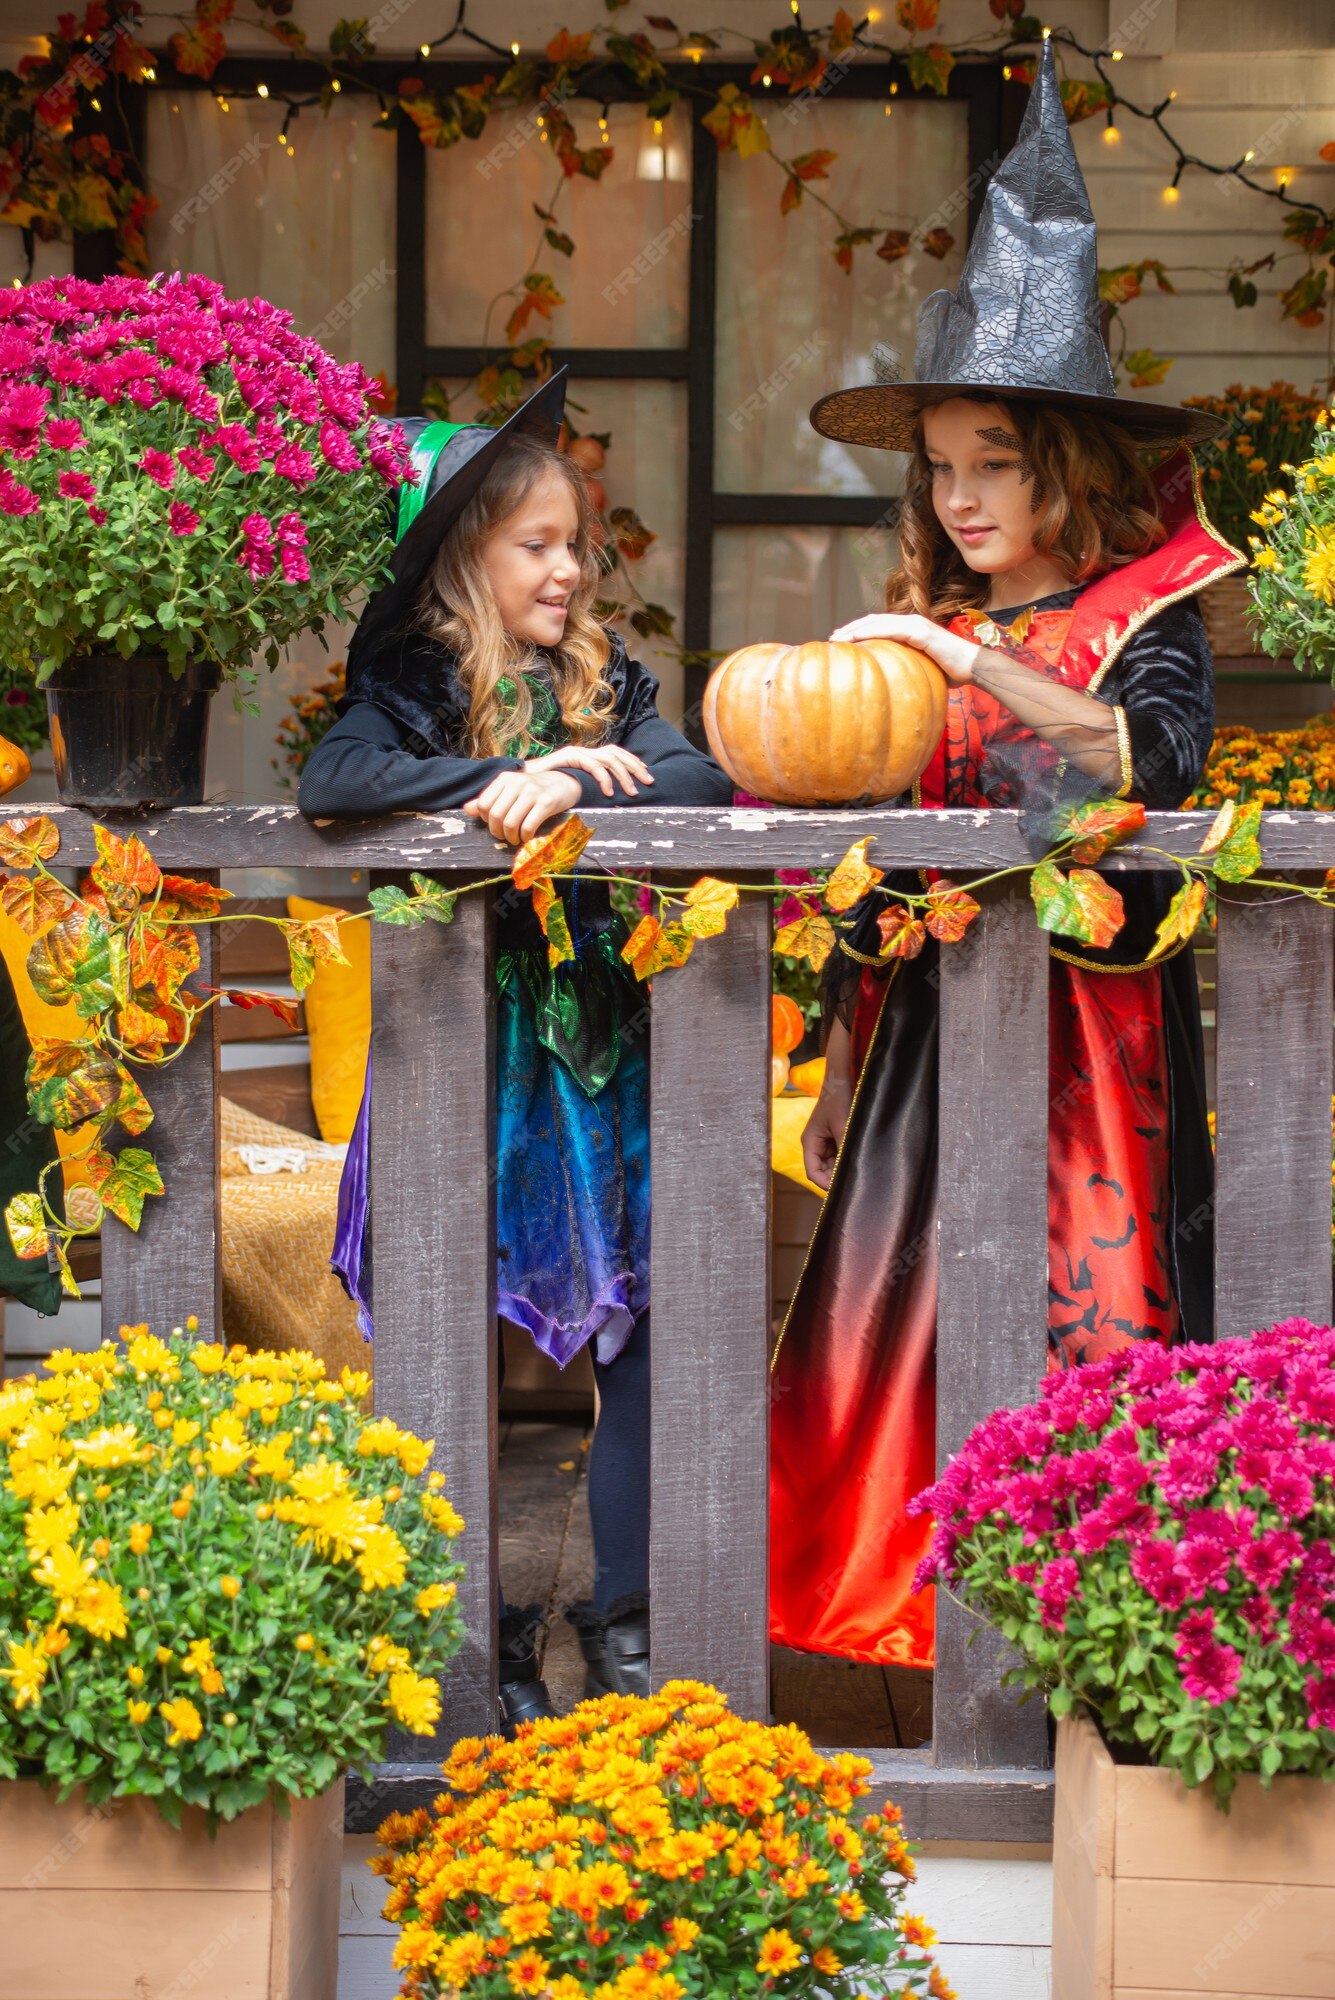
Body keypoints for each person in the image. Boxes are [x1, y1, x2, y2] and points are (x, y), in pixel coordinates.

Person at [769, 39, 1241, 1672]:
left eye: (996, 463)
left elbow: (1146, 755)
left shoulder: (1148, 613)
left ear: (1070, 467)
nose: (962, 496)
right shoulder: (931, 628)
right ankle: (926, 1625)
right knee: (895, 1330)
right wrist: (835, 1063)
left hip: (1093, 1054)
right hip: (925, 1048)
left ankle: (1076, 1634)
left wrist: (970, 666)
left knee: (1084, 1342)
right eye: (943, 468)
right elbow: (874, 868)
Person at [298, 373, 733, 1725]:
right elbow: (335, 783)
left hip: (599, 1064)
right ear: (463, 561)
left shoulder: (609, 682)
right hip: (467, 1066)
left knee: (640, 1334)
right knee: (450, 1334)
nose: (566, 567)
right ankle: (470, 1633)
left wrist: (584, 771)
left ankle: (629, 1623)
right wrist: (488, 781)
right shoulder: (419, 687)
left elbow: (708, 774)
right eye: (534, 544)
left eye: (575, 543)